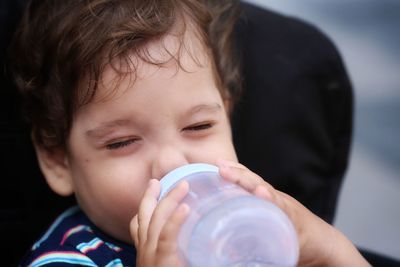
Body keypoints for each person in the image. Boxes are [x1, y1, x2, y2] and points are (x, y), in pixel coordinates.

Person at [10, 0, 370, 266]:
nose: (171, 163)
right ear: (58, 160)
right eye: (121, 142)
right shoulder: (65, 261)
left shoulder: (249, 241)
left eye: (199, 127)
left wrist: (330, 250)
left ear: (226, 117)